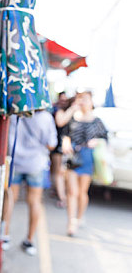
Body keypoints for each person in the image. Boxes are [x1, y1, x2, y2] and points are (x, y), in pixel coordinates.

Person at [1, 111, 57, 256]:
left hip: (15, 162)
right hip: (36, 164)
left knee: (10, 198)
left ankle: (4, 237)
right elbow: (52, 144)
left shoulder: (14, 112)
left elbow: (6, 138)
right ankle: (30, 240)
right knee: (34, 201)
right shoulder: (46, 117)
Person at [62, 91, 107, 236]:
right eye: (80, 99)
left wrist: (97, 142)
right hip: (73, 157)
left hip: (88, 158)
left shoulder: (97, 121)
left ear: (91, 102)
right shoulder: (73, 118)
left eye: (85, 99)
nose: (83, 102)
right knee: (72, 192)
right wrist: (66, 142)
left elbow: (105, 139)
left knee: (82, 192)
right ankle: (71, 222)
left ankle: (79, 217)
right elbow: (65, 133)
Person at [50, 92, 70, 208]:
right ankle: (59, 193)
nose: (63, 102)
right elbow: (60, 122)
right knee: (57, 171)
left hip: (63, 146)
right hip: (58, 144)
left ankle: (59, 192)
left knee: (60, 172)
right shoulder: (57, 110)